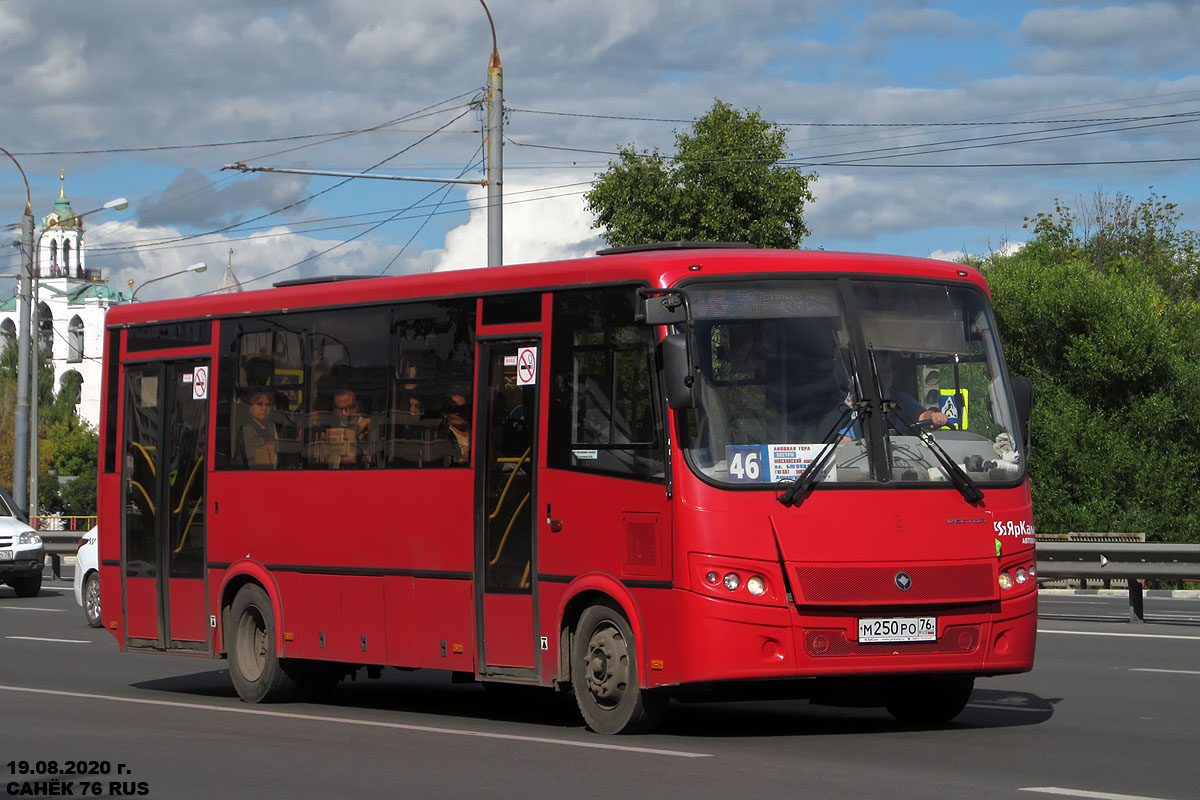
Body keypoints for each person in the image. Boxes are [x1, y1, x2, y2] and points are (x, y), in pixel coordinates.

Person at [313, 387, 376, 468]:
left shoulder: (371, 426)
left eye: (352, 407)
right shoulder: (326, 427)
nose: (347, 413)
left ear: (359, 404)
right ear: (334, 408)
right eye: (341, 409)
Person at [235, 390, 278, 469]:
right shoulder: (245, 430)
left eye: (268, 404)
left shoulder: (275, 429)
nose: (264, 408)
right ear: (250, 407)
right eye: (259, 404)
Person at [442, 392, 471, 464]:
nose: (458, 413)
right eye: (453, 408)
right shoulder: (442, 435)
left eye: (463, 409)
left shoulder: (480, 431)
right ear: (445, 413)